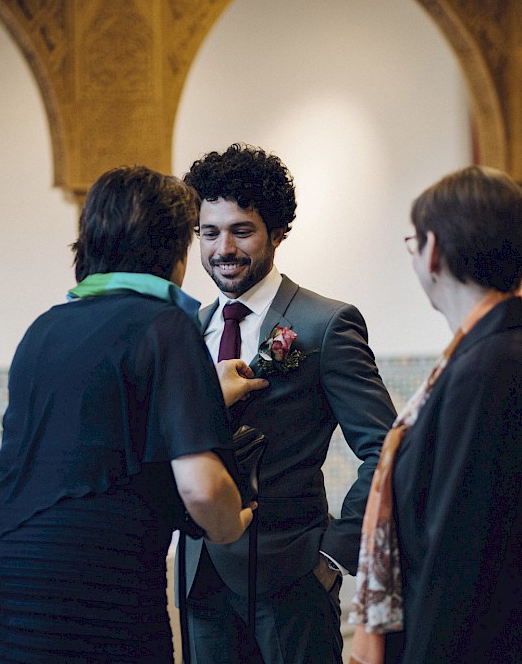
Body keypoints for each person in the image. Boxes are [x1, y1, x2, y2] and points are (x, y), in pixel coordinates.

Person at [0, 165, 267, 662]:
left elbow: (101, 420)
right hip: (96, 572)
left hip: (2, 560)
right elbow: (203, 486)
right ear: (173, 250)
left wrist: (203, 394)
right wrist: (230, 527)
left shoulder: (45, 327)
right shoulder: (167, 324)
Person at [349, 165, 522, 663]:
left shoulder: (493, 364)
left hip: (489, 642)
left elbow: (460, 554)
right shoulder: (484, 352)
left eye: (414, 243)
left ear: (434, 251)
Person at [180, 143, 397, 663]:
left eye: (242, 230)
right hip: (200, 577)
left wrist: (335, 553)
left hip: (293, 577)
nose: (223, 248)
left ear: (277, 233)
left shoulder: (326, 323)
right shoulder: (186, 329)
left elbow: (387, 449)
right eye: (209, 233)